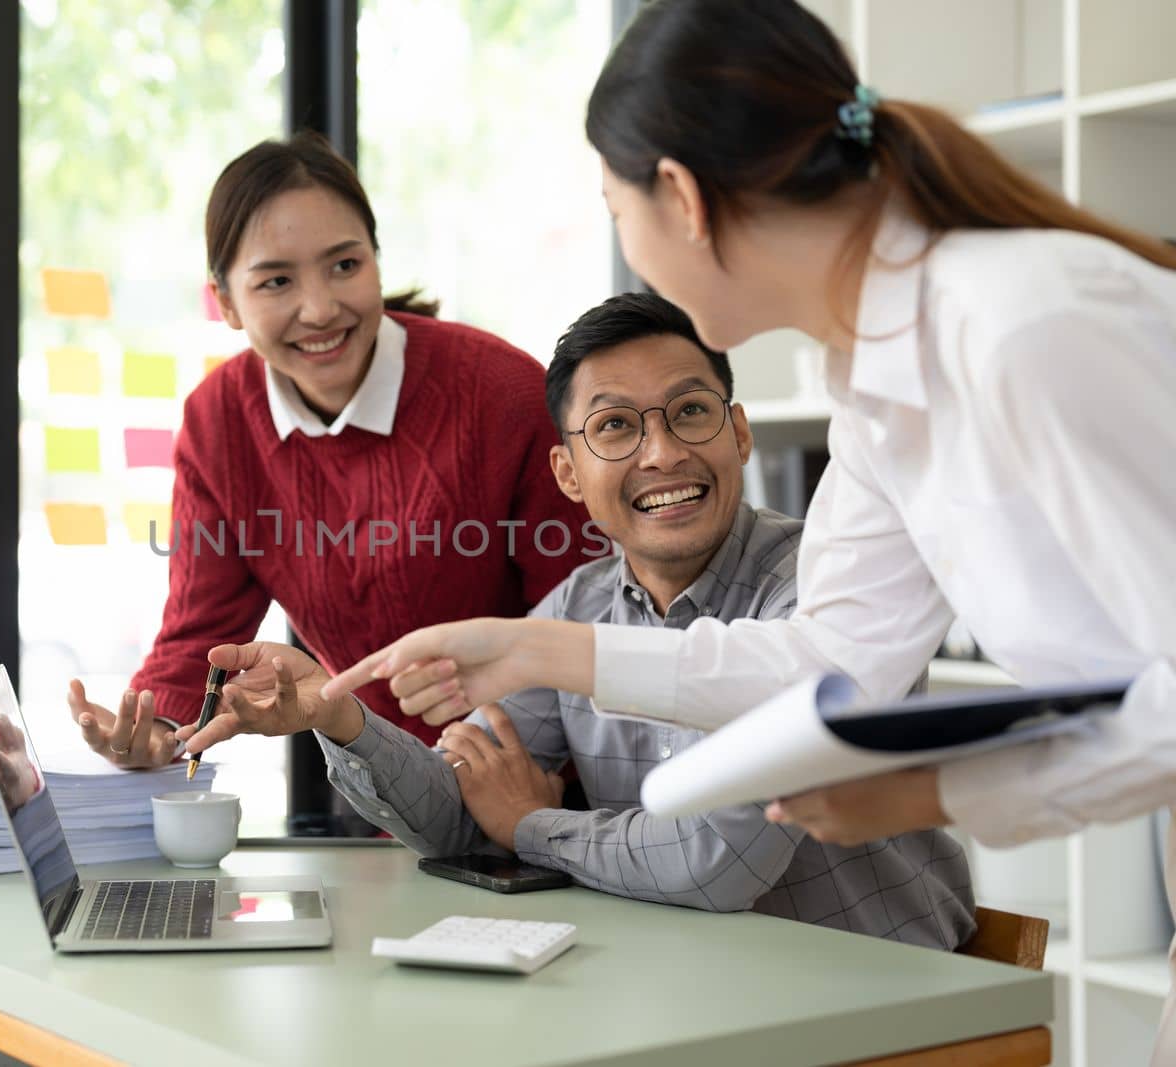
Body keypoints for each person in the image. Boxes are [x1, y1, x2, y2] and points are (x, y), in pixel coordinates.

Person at [323, 0, 1176, 1045]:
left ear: (677, 195)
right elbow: (831, 658)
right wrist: (538, 647)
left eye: (614, 207)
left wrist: (934, 789)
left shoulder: (1020, 323)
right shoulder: (869, 379)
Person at [177, 292, 976, 948]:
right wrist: (340, 716)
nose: (661, 453)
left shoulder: (827, 588)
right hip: (692, 991)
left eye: (690, 412)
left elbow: (713, 862)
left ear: (738, 431)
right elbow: (460, 814)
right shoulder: (579, 604)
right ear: (568, 471)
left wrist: (532, 825)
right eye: (617, 426)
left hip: (885, 1008)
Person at [69, 131, 595, 768]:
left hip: (540, 780)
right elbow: (200, 634)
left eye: (345, 266)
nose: (319, 309)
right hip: (383, 791)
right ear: (227, 302)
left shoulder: (502, 394)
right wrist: (155, 728)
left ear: (376, 259)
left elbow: (583, 624)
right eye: (276, 282)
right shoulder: (219, 422)